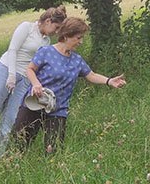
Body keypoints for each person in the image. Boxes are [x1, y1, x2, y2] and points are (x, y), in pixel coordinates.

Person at [0, 6, 67, 155]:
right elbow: (12, 49)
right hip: (5, 70)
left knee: (11, 119)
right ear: (48, 21)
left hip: (24, 79)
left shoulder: (46, 41)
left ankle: (2, 155)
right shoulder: (27, 27)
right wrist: (11, 74)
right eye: (56, 27)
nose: (56, 32)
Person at [11, 17, 126, 154]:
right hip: (35, 103)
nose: (81, 42)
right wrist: (36, 84)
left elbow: (91, 75)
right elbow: (30, 69)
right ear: (66, 36)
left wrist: (109, 81)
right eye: (78, 38)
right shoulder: (45, 52)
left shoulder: (77, 60)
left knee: (54, 151)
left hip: (57, 110)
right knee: (18, 146)